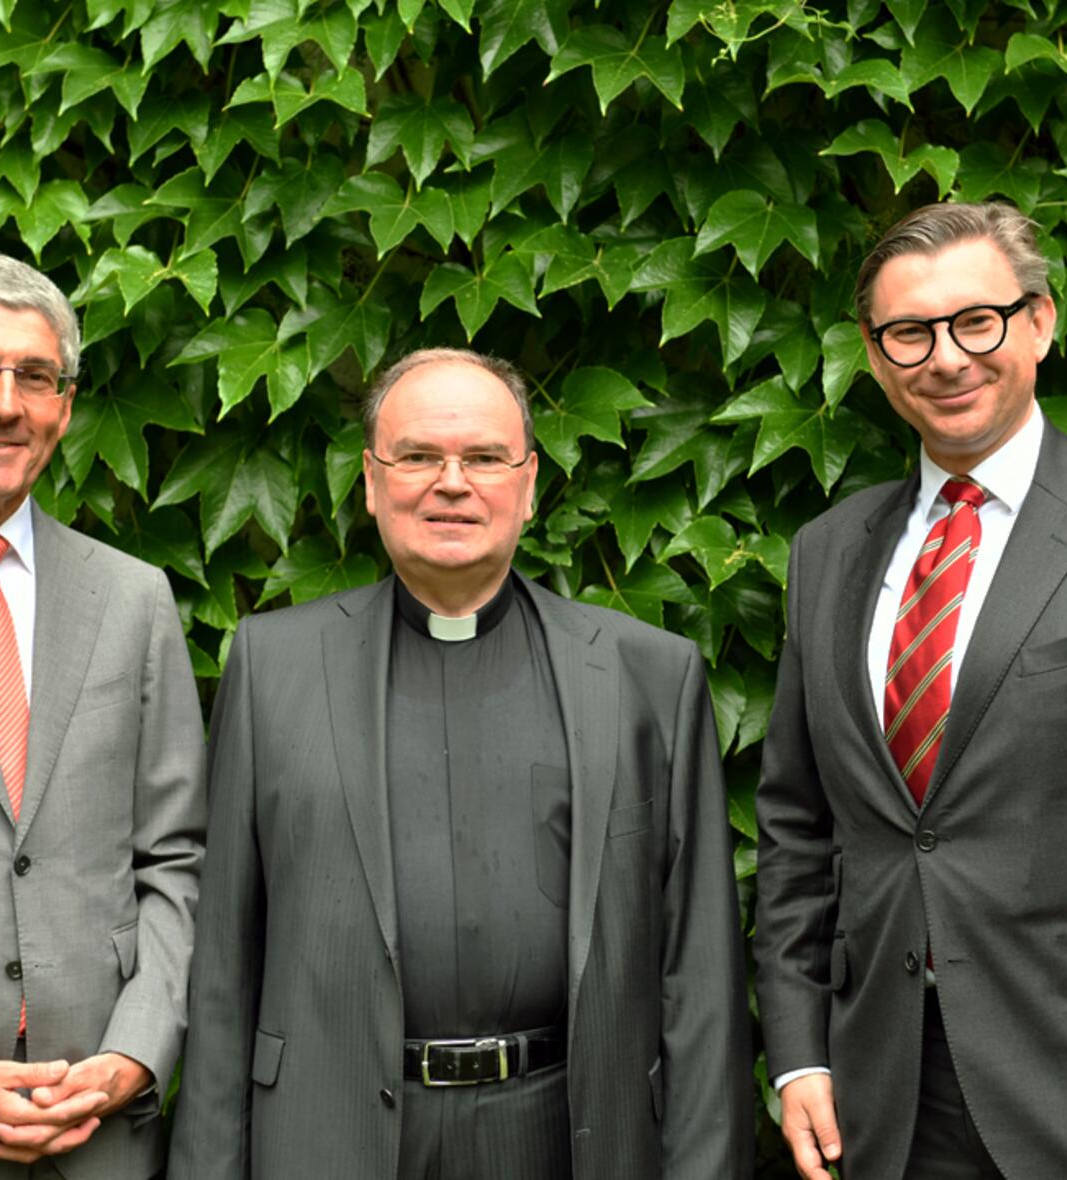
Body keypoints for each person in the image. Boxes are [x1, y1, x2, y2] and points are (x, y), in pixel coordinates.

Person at [169, 347, 752, 1179]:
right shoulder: (272, 666)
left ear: (529, 481)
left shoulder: (647, 675)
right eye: (417, 457)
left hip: (570, 1134)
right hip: (333, 1137)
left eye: (483, 457)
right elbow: (224, 965)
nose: (452, 482)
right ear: (370, 481)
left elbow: (699, 979)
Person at [753, 201, 1067, 1180]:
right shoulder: (827, 552)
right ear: (871, 353)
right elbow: (796, 825)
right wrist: (801, 1048)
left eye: (975, 320)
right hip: (884, 1090)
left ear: (1039, 320)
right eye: (909, 333)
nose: (944, 358)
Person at [0, 253, 206, 1179]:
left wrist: (134, 1054)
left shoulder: (133, 598)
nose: (5, 402)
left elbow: (178, 859)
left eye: (35, 376)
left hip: (102, 1136)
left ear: (64, 407)